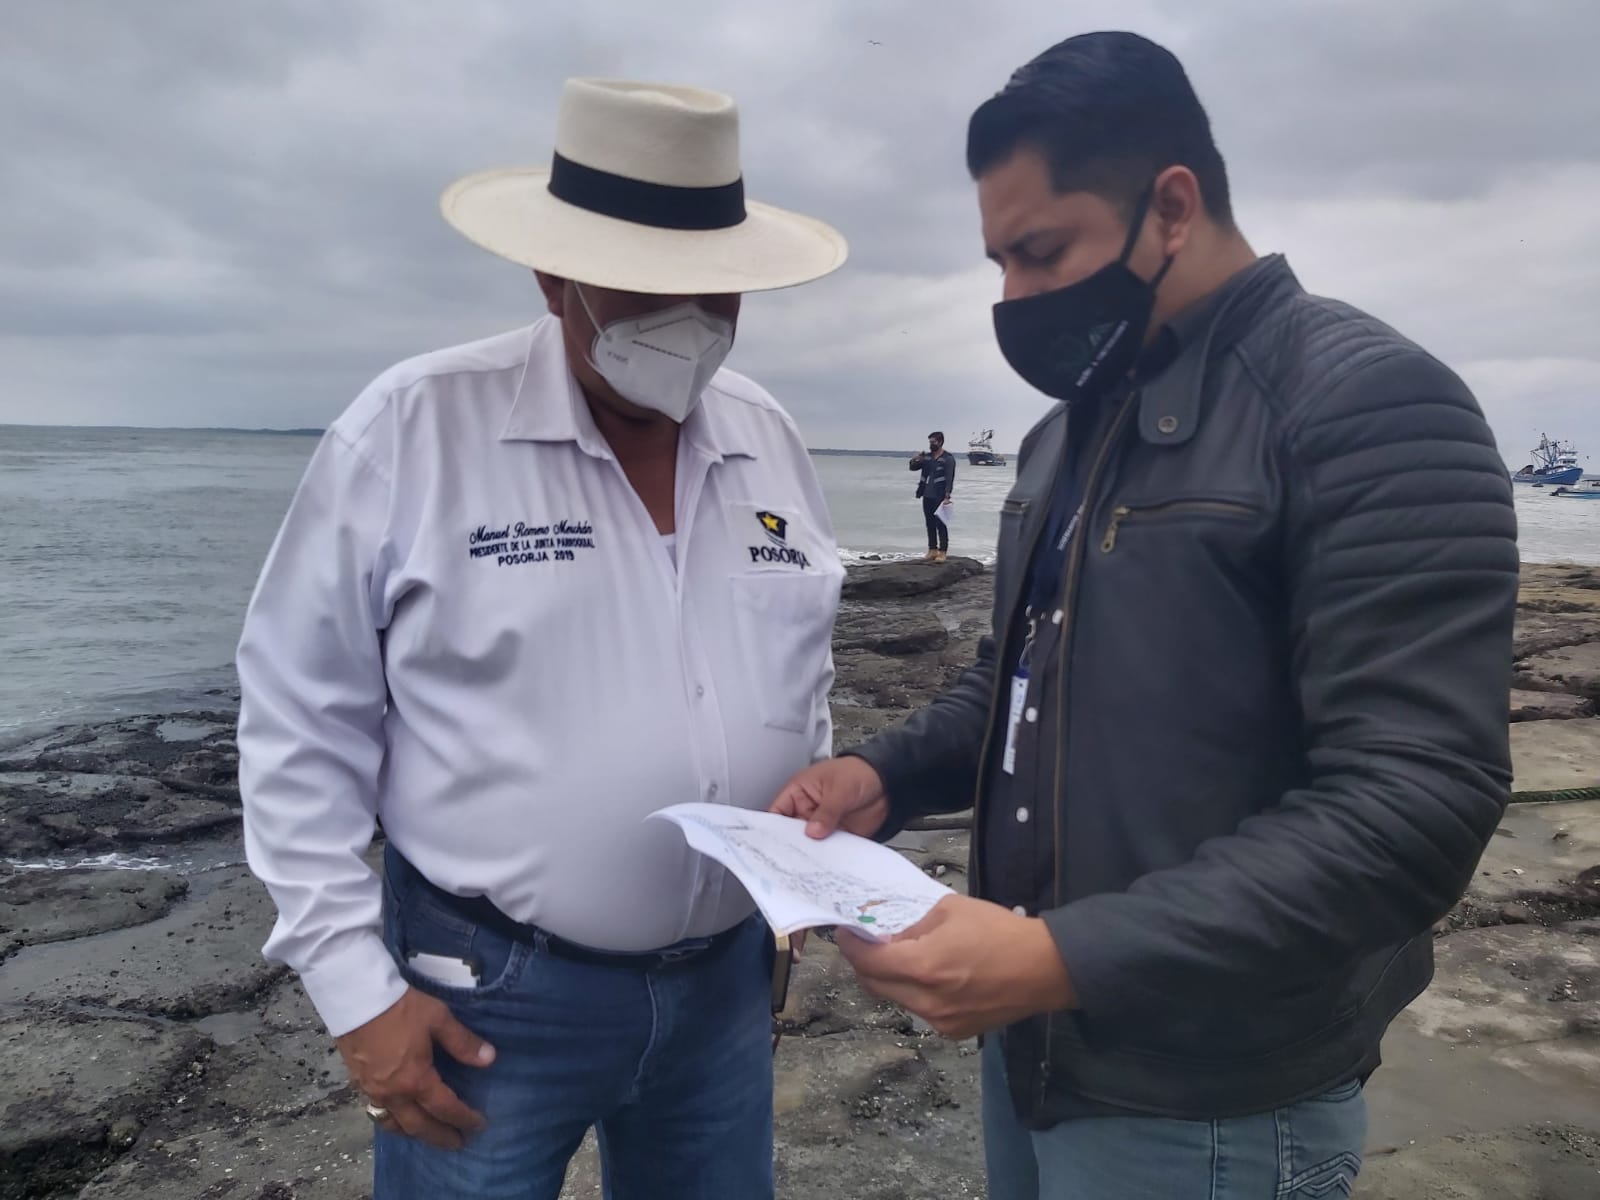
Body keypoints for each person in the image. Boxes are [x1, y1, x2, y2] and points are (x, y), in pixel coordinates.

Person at [772, 31, 1517, 1200]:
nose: (1013, 298)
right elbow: (1019, 680)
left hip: (1212, 1098)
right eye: (998, 263)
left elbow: (1416, 801)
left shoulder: (1366, 403)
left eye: (1041, 252)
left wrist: (1061, 955)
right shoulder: (1065, 435)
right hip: (1038, 1053)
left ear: (1171, 205)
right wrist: (882, 774)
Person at [237, 77, 847, 1200]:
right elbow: (297, 717)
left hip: (724, 989)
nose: (689, 317)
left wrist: (789, 877)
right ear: (552, 276)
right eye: (650, 282)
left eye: (716, 284)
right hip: (488, 993)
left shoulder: (768, 439)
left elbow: (798, 672)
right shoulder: (414, 431)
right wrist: (355, 994)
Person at [909, 431, 956, 562]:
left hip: (940, 495)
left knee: (941, 524)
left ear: (940, 442)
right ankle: (932, 549)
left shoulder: (948, 458)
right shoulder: (927, 457)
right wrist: (915, 459)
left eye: (933, 442)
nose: (931, 445)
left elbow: (949, 478)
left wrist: (947, 496)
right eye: (930, 442)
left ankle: (943, 552)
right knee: (929, 523)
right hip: (927, 494)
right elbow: (913, 468)